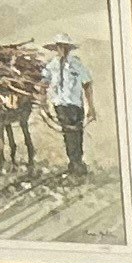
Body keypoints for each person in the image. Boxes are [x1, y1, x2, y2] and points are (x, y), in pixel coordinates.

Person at [45, 38, 93, 176]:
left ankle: (77, 163)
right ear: (56, 48)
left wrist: (91, 107)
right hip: (60, 104)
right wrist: (44, 101)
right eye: (60, 47)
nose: (62, 50)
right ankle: (74, 163)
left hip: (76, 104)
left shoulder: (76, 64)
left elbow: (87, 84)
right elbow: (44, 82)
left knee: (77, 133)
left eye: (65, 47)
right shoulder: (52, 65)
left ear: (69, 49)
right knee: (68, 133)